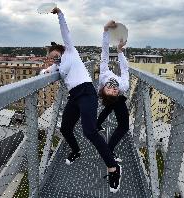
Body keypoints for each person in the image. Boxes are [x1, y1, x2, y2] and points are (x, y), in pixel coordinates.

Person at [42, 8, 121, 193]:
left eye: (54, 54)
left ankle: (113, 168)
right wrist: (45, 71)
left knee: (90, 131)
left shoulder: (70, 51)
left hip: (86, 92)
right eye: (51, 58)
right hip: (74, 96)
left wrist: (60, 14)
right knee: (65, 128)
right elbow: (46, 72)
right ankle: (76, 150)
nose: (53, 58)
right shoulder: (58, 65)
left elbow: (65, 31)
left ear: (60, 49)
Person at [97, 20, 130, 162]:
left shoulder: (104, 75)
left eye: (109, 88)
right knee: (124, 126)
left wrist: (105, 30)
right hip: (114, 99)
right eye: (114, 90)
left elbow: (104, 52)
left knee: (109, 108)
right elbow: (125, 69)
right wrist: (120, 52)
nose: (112, 87)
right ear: (118, 93)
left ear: (103, 87)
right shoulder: (123, 87)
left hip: (112, 98)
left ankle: (98, 126)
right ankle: (109, 149)